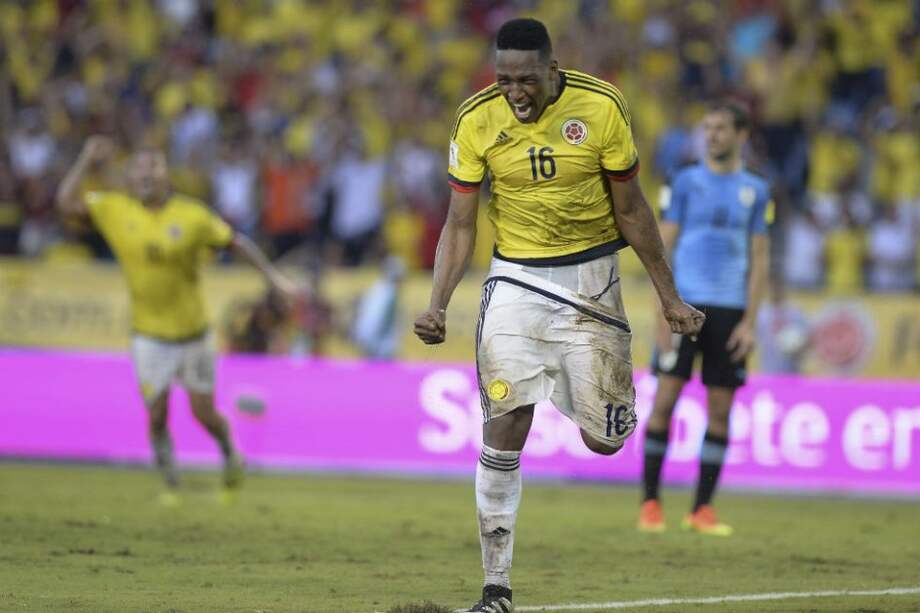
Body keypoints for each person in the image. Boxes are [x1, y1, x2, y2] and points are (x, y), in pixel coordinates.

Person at [413, 19, 704, 613]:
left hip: (592, 281)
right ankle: (496, 588)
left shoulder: (601, 107)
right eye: (503, 80)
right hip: (515, 280)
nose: (514, 92)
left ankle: (575, 388)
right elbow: (461, 223)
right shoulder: (476, 119)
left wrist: (669, 297)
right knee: (505, 423)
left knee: (606, 440)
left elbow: (632, 210)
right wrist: (437, 303)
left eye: (525, 79)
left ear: (552, 68)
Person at [56, 135, 300, 505]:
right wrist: (86, 160)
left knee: (203, 413)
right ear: (129, 177)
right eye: (139, 168)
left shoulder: (192, 216)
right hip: (148, 335)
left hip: (192, 334)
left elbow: (237, 243)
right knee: (156, 416)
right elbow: (65, 204)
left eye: (153, 167)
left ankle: (230, 452)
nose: (146, 174)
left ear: (166, 175)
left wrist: (274, 279)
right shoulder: (114, 209)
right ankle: (171, 484)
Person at [639, 101, 772, 536]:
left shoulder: (757, 189)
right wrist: (663, 309)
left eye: (720, 128)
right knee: (665, 400)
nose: (711, 135)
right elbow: (662, 247)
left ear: (741, 135)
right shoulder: (683, 181)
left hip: (730, 309)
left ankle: (702, 510)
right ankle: (650, 504)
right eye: (707, 127)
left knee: (720, 410)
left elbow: (760, 257)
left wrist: (750, 322)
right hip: (684, 304)